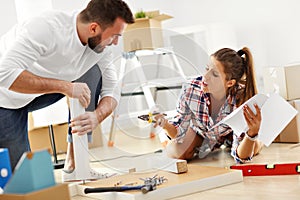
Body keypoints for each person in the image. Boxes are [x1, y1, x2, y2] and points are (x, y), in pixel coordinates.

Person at [0, 0, 134, 180]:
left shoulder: (101, 45)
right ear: (93, 28)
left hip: (41, 91)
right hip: (5, 96)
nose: (116, 42)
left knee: (94, 71)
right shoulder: (47, 27)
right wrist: (65, 87)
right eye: (115, 35)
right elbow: (4, 74)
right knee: (23, 182)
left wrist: (96, 116)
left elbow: (112, 89)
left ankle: (75, 165)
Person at [154, 47, 263, 163]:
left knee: (253, 148)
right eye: (207, 68)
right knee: (176, 152)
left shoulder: (240, 99)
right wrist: (165, 124)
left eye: (215, 74)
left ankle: (259, 137)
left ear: (230, 83)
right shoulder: (190, 89)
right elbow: (179, 131)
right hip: (202, 132)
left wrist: (252, 133)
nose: (205, 76)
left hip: (229, 132)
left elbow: (241, 158)